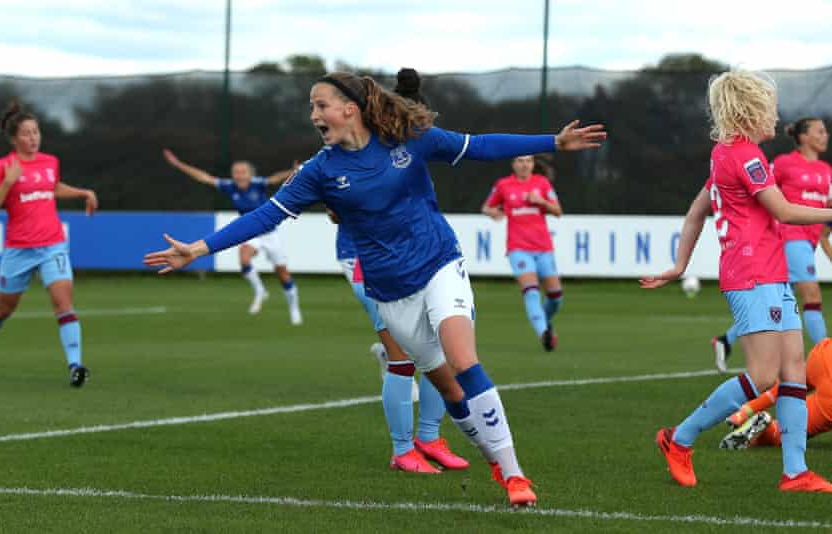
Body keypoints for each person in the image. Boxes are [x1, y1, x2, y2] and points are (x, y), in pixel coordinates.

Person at [144, 71, 605, 506]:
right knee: (447, 387)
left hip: (440, 263)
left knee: (463, 361)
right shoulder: (320, 171)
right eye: (311, 108)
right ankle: (494, 461)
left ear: (349, 108)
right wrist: (200, 248)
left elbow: (479, 146)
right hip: (390, 292)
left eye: (319, 105)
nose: (313, 116)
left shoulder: (410, 140)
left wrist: (554, 142)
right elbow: (267, 215)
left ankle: (515, 474)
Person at [641, 70, 832, 492]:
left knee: (794, 369)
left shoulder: (726, 155)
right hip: (751, 273)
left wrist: (678, 265)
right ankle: (680, 437)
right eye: (769, 105)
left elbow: (696, 211)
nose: (775, 115)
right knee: (765, 374)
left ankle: (795, 472)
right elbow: (782, 210)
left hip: (770, 271)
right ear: (750, 110)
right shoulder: (744, 155)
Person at [325, 69, 469, 474]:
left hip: (410, 263)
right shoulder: (343, 153)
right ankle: (403, 449)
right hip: (369, 267)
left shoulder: (392, 145)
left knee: (440, 354)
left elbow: (415, 128)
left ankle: (429, 438)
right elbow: (336, 207)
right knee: (403, 359)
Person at [0, 101, 97, 388]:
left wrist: (82, 193)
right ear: (14, 138)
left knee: (63, 303)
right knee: (4, 309)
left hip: (53, 245)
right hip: (19, 249)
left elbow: (51, 187)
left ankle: (75, 365)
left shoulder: (50, 162)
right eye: (27, 133)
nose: (34, 138)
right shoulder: (2, 168)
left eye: (36, 132)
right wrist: (7, 184)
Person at [712, 118, 831, 372]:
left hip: (806, 242)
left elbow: (826, 221)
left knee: (778, 301)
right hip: (789, 236)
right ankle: (827, 356)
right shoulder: (785, 164)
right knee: (811, 295)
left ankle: (726, 339)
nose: (825, 135)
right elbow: (761, 188)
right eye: (819, 131)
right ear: (803, 137)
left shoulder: (826, 170)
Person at [162, 150, 303, 324]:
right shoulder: (230, 187)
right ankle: (260, 291)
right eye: (236, 172)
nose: (239, 175)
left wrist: (295, 171)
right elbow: (204, 177)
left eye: (243, 172)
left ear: (250, 174)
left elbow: (275, 179)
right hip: (251, 233)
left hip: (270, 234)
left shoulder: (257, 184)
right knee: (244, 259)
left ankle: (294, 307)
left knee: (283, 275)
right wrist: (178, 164)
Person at [482, 154, 563, 351]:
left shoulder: (542, 183)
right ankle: (543, 332)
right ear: (513, 164)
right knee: (531, 292)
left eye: (528, 161)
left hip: (543, 248)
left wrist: (541, 202)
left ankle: (545, 322)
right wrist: (495, 213)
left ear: (533, 164)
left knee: (555, 296)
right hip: (518, 248)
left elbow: (558, 211)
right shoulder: (504, 185)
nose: (524, 164)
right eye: (520, 160)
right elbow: (486, 207)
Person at [720, 337, 832, 449]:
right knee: (783, 433)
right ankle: (769, 430)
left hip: (824, 353)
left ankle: (745, 411)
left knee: (793, 384)